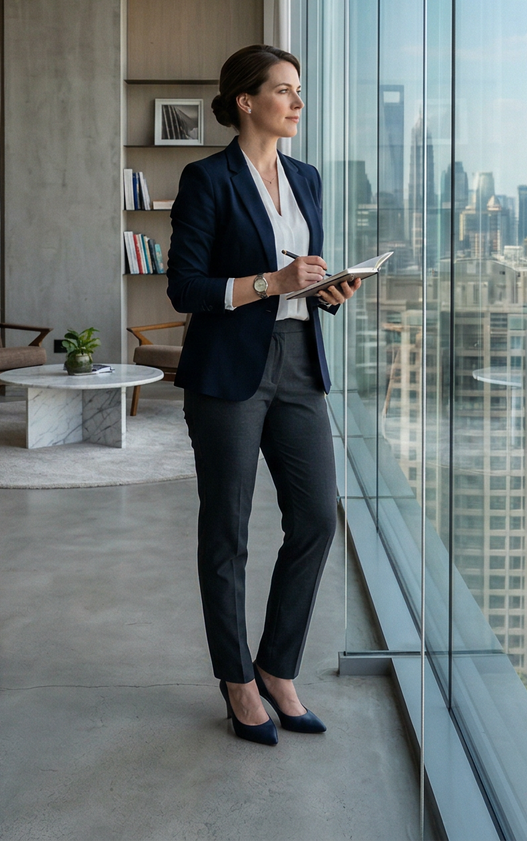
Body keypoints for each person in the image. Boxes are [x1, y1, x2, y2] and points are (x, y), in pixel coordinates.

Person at [166, 44, 361, 746]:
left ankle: (278, 666)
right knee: (228, 530)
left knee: (315, 518)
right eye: (284, 90)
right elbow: (185, 286)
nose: (297, 102)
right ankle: (237, 679)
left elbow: (299, 276)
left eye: (299, 90)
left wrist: (323, 289)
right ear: (247, 101)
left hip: (298, 364)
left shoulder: (306, 177)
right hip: (228, 373)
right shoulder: (207, 179)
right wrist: (268, 284)